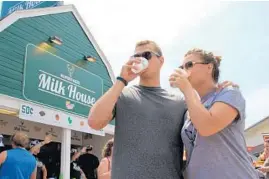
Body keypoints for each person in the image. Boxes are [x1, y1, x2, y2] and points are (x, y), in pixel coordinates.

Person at [89, 40, 236, 179]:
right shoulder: (122, 94)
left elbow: (204, 127)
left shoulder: (180, 101)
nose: (140, 59)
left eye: (146, 55)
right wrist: (122, 80)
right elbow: (94, 122)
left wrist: (218, 89)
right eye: (135, 56)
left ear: (161, 61)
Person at [169, 48, 259, 178]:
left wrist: (187, 89)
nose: (184, 70)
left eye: (189, 65)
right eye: (181, 67)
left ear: (209, 67)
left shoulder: (229, 93)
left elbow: (207, 127)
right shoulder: (189, 109)